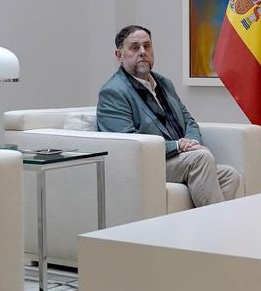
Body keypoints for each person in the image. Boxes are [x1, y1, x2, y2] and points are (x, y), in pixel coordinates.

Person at [96, 25, 242, 206]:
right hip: (146, 164)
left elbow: (188, 120)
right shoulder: (113, 91)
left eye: (147, 46)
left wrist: (192, 142)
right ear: (119, 55)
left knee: (230, 175)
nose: (142, 52)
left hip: (175, 159)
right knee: (201, 158)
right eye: (134, 47)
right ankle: (218, 231)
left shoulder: (163, 83)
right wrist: (178, 146)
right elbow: (127, 144)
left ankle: (202, 228)